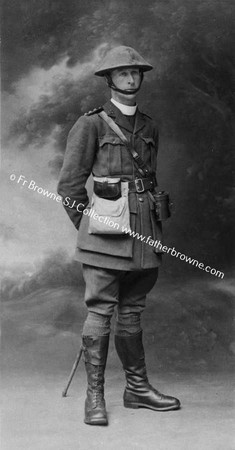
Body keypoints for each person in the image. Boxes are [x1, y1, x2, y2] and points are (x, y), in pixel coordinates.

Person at [57, 45, 180, 426]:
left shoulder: (149, 125)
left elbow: (147, 181)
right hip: (105, 235)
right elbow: (70, 187)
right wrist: (91, 231)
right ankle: (95, 397)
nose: (130, 78)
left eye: (135, 72)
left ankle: (137, 389)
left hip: (145, 234)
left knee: (132, 310)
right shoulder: (91, 124)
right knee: (100, 311)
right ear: (108, 79)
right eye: (122, 73)